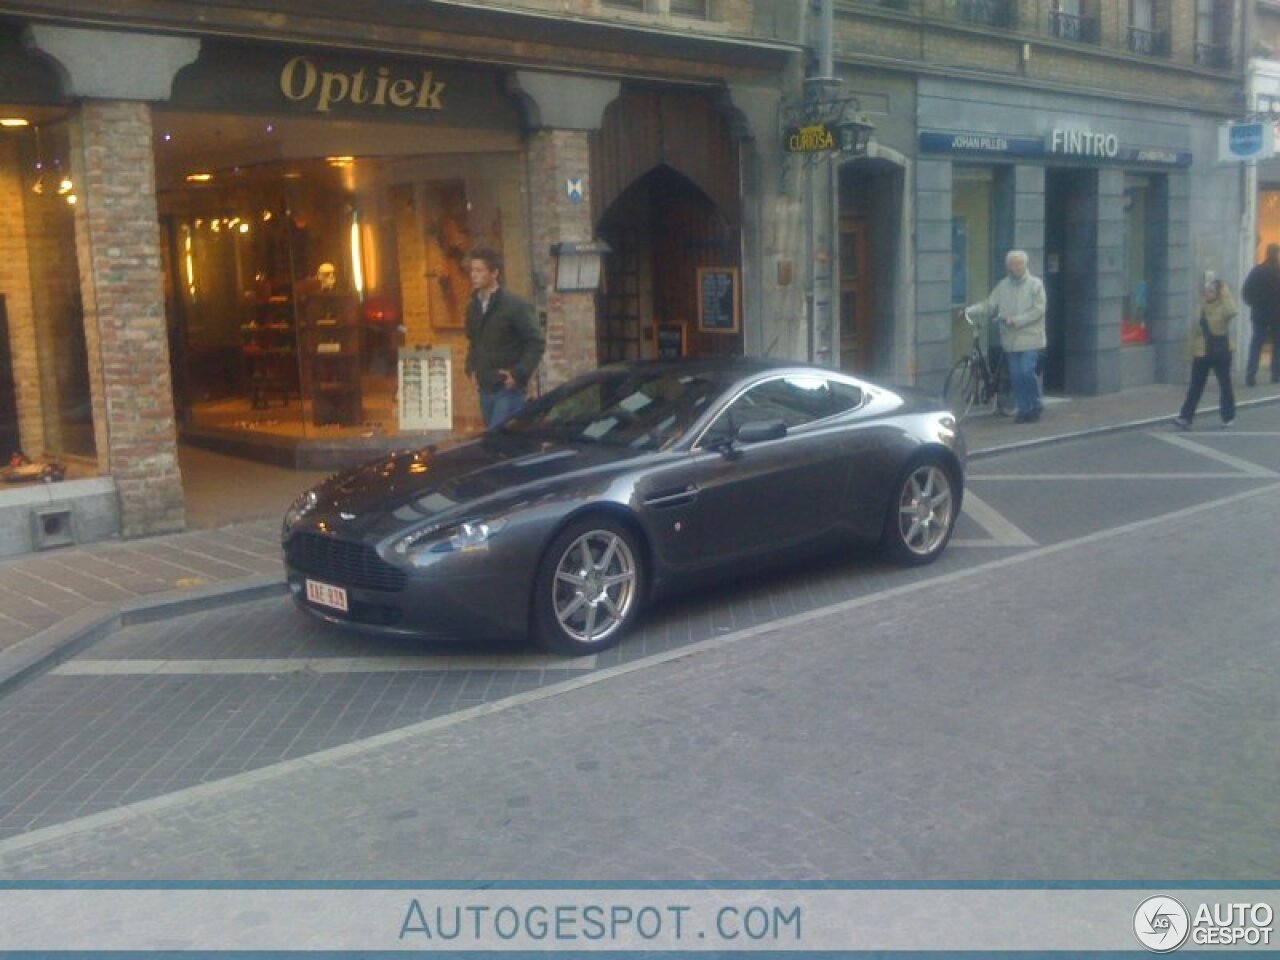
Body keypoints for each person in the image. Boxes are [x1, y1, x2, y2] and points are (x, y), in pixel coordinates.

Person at [464, 247, 545, 428]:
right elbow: (474, 343)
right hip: (485, 386)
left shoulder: (513, 305)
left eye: (479, 270)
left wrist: (519, 373)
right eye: (472, 270)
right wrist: (471, 368)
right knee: (491, 441)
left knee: (500, 437)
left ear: (494, 273)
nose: (473, 275)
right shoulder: (473, 307)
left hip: (507, 387)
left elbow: (535, 342)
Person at [966, 249, 1047, 423]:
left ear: (1025, 265)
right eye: (1013, 264)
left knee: (1026, 372)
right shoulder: (1003, 286)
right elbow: (989, 304)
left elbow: (1039, 310)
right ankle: (1024, 410)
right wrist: (969, 310)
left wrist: (1016, 320)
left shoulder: (1035, 285)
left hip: (1031, 338)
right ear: (1008, 267)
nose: (1016, 267)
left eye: (1019, 264)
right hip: (1010, 340)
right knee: (1016, 376)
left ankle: (1035, 405)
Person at [1174, 278, 1236, 429]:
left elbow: (1233, 311)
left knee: (1224, 384)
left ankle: (1228, 416)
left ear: (1218, 293)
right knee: (1195, 385)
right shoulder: (1200, 307)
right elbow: (1194, 332)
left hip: (1220, 352)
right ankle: (1185, 417)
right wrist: (1189, 353)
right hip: (1202, 352)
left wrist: (1225, 292)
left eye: (1212, 291)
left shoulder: (1223, 307)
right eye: (1206, 291)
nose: (1208, 294)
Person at [1240, 243, 1280, 386]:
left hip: (1259, 314)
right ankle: (1276, 375)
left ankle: (1250, 375)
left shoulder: (1257, 271)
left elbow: (1245, 292)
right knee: (1277, 345)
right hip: (1276, 314)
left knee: (1256, 344)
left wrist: (1255, 303)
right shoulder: (1277, 272)